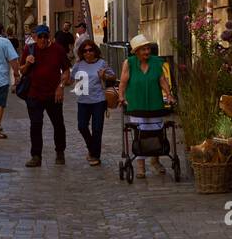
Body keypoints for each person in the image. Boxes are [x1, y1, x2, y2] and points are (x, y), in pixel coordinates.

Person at [118, 33, 173, 178]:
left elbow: (162, 80)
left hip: (155, 104)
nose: (147, 52)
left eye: (148, 48)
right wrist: (121, 97)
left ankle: (156, 161)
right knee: (139, 134)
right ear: (136, 51)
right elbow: (123, 82)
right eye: (143, 49)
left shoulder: (156, 62)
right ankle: (141, 168)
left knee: (156, 132)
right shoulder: (129, 63)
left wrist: (168, 94)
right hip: (136, 104)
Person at [19, 25, 71, 167]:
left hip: (53, 95)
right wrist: (28, 64)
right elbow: (21, 71)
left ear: (49, 37)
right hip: (34, 94)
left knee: (58, 124)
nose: (42, 39)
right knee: (35, 125)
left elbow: (66, 70)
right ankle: (36, 156)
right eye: (40, 37)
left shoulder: (58, 50)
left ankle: (60, 152)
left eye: (45, 37)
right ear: (35, 37)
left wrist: (61, 87)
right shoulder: (29, 49)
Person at [71, 40, 114, 165]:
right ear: (82, 53)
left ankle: (95, 156)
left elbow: (112, 77)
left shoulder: (102, 63)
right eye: (85, 51)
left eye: (90, 50)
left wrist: (104, 76)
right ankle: (92, 149)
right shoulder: (79, 64)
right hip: (83, 100)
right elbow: (71, 79)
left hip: (98, 100)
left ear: (95, 51)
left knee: (97, 129)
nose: (88, 53)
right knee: (82, 126)